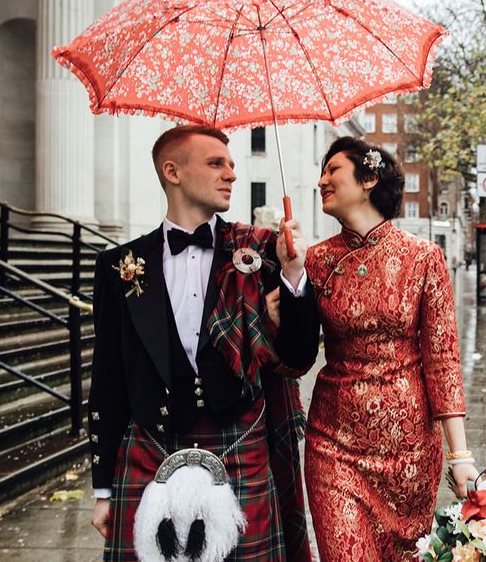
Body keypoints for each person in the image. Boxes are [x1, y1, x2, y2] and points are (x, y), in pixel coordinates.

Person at [88, 124, 320, 561]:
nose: (231, 174)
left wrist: (292, 275)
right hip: (150, 449)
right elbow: (108, 379)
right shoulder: (119, 266)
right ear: (172, 172)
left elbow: (299, 356)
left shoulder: (262, 250)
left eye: (232, 164)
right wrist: (103, 487)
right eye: (216, 164)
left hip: (239, 445)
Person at [304, 137, 479, 561]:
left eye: (333, 171)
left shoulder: (424, 258)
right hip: (333, 446)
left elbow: (442, 359)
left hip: (410, 455)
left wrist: (460, 455)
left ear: (368, 179)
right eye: (322, 171)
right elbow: (295, 355)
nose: (321, 180)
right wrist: (288, 292)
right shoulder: (313, 261)